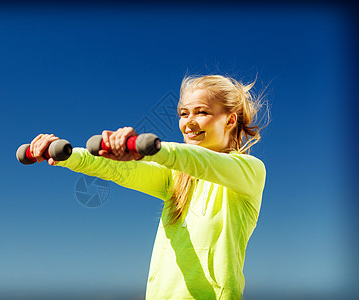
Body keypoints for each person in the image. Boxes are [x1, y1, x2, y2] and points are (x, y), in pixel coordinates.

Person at [28, 74, 267, 299]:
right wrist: (65, 155)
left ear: (230, 119)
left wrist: (148, 149)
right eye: (184, 114)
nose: (189, 123)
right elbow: (117, 169)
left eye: (201, 112)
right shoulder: (175, 178)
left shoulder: (249, 172)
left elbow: (194, 159)